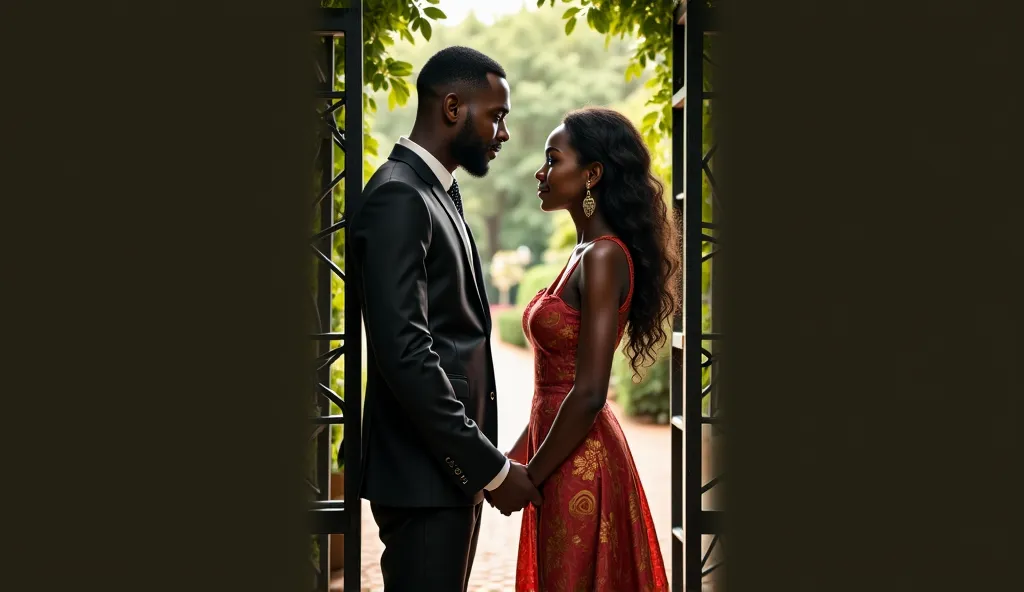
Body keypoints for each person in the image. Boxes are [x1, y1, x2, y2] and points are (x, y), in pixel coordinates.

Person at [349, 46, 542, 592]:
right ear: (453, 106)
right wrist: (490, 468)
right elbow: (407, 354)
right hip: (423, 475)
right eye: (496, 115)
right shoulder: (399, 196)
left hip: (442, 474)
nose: (503, 133)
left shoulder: (434, 192)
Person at [509, 106, 679, 591]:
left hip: (580, 463)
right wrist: (508, 463)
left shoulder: (604, 255)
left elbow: (587, 392)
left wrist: (529, 477)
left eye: (552, 159)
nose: (541, 173)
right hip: (560, 452)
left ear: (592, 174)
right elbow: (553, 389)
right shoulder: (582, 253)